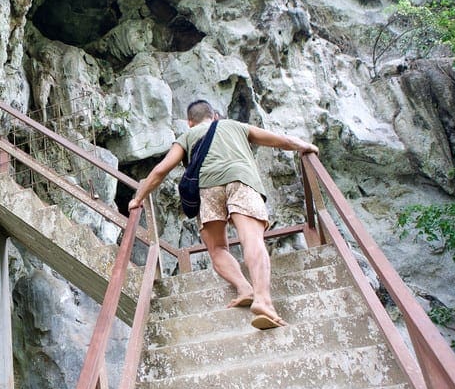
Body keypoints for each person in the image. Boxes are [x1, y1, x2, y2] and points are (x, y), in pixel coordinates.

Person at [128, 99, 318, 329]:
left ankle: (243, 287)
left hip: (208, 189)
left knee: (217, 249)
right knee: (252, 239)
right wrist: (305, 146)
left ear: (190, 122)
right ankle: (263, 301)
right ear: (214, 116)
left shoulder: (187, 136)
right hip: (242, 180)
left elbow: (160, 170)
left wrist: (137, 199)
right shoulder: (234, 125)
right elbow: (279, 140)